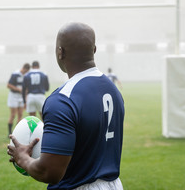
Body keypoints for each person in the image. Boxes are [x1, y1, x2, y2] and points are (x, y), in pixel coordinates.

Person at [8, 22, 125, 190]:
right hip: (114, 185)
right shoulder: (113, 90)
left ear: (60, 52)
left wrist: (23, 158)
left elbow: (50, 172)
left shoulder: (63, 99)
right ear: (94, 50)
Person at [7, 63, 30, 135]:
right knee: (13, 114)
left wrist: (26, 91)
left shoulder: (26, 76)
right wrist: (18, 89)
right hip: (13, 96)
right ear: (24, 68)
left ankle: (17, 133)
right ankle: (9, 133)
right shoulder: (15, 74)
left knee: (20, 114)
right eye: (26, 71)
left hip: (21, 97)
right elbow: (8, 85)